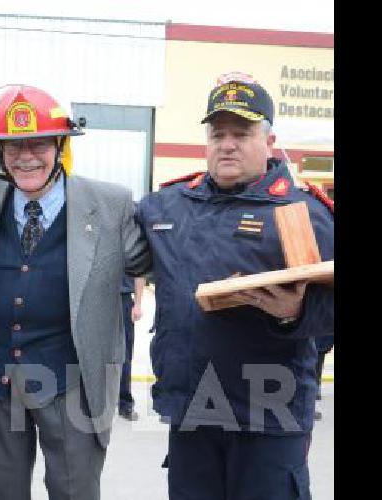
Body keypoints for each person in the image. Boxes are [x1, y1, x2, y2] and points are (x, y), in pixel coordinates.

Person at [135, 73, 334, 499]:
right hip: (192, 414)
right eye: (217, 133)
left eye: (241, 133)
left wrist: (294, 314)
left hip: (268, 418)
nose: (227, 144)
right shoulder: (167, 206)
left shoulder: (303, 212)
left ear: (268, 139)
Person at [0, 84, 151, 500]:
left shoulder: (110, 205)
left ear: (60, 145)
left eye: (38, 143)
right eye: (12, 145)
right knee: (2, 492)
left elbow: (153, 260)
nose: (25, 155)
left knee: (75, 492)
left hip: (72, 383)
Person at [118, 276, 145, 421]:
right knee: (96, 353)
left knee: (125, 354)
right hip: (98, 299)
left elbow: (139, 273)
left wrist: (138, 304)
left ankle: (125, 403)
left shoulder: (130, 251)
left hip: (123, 300)